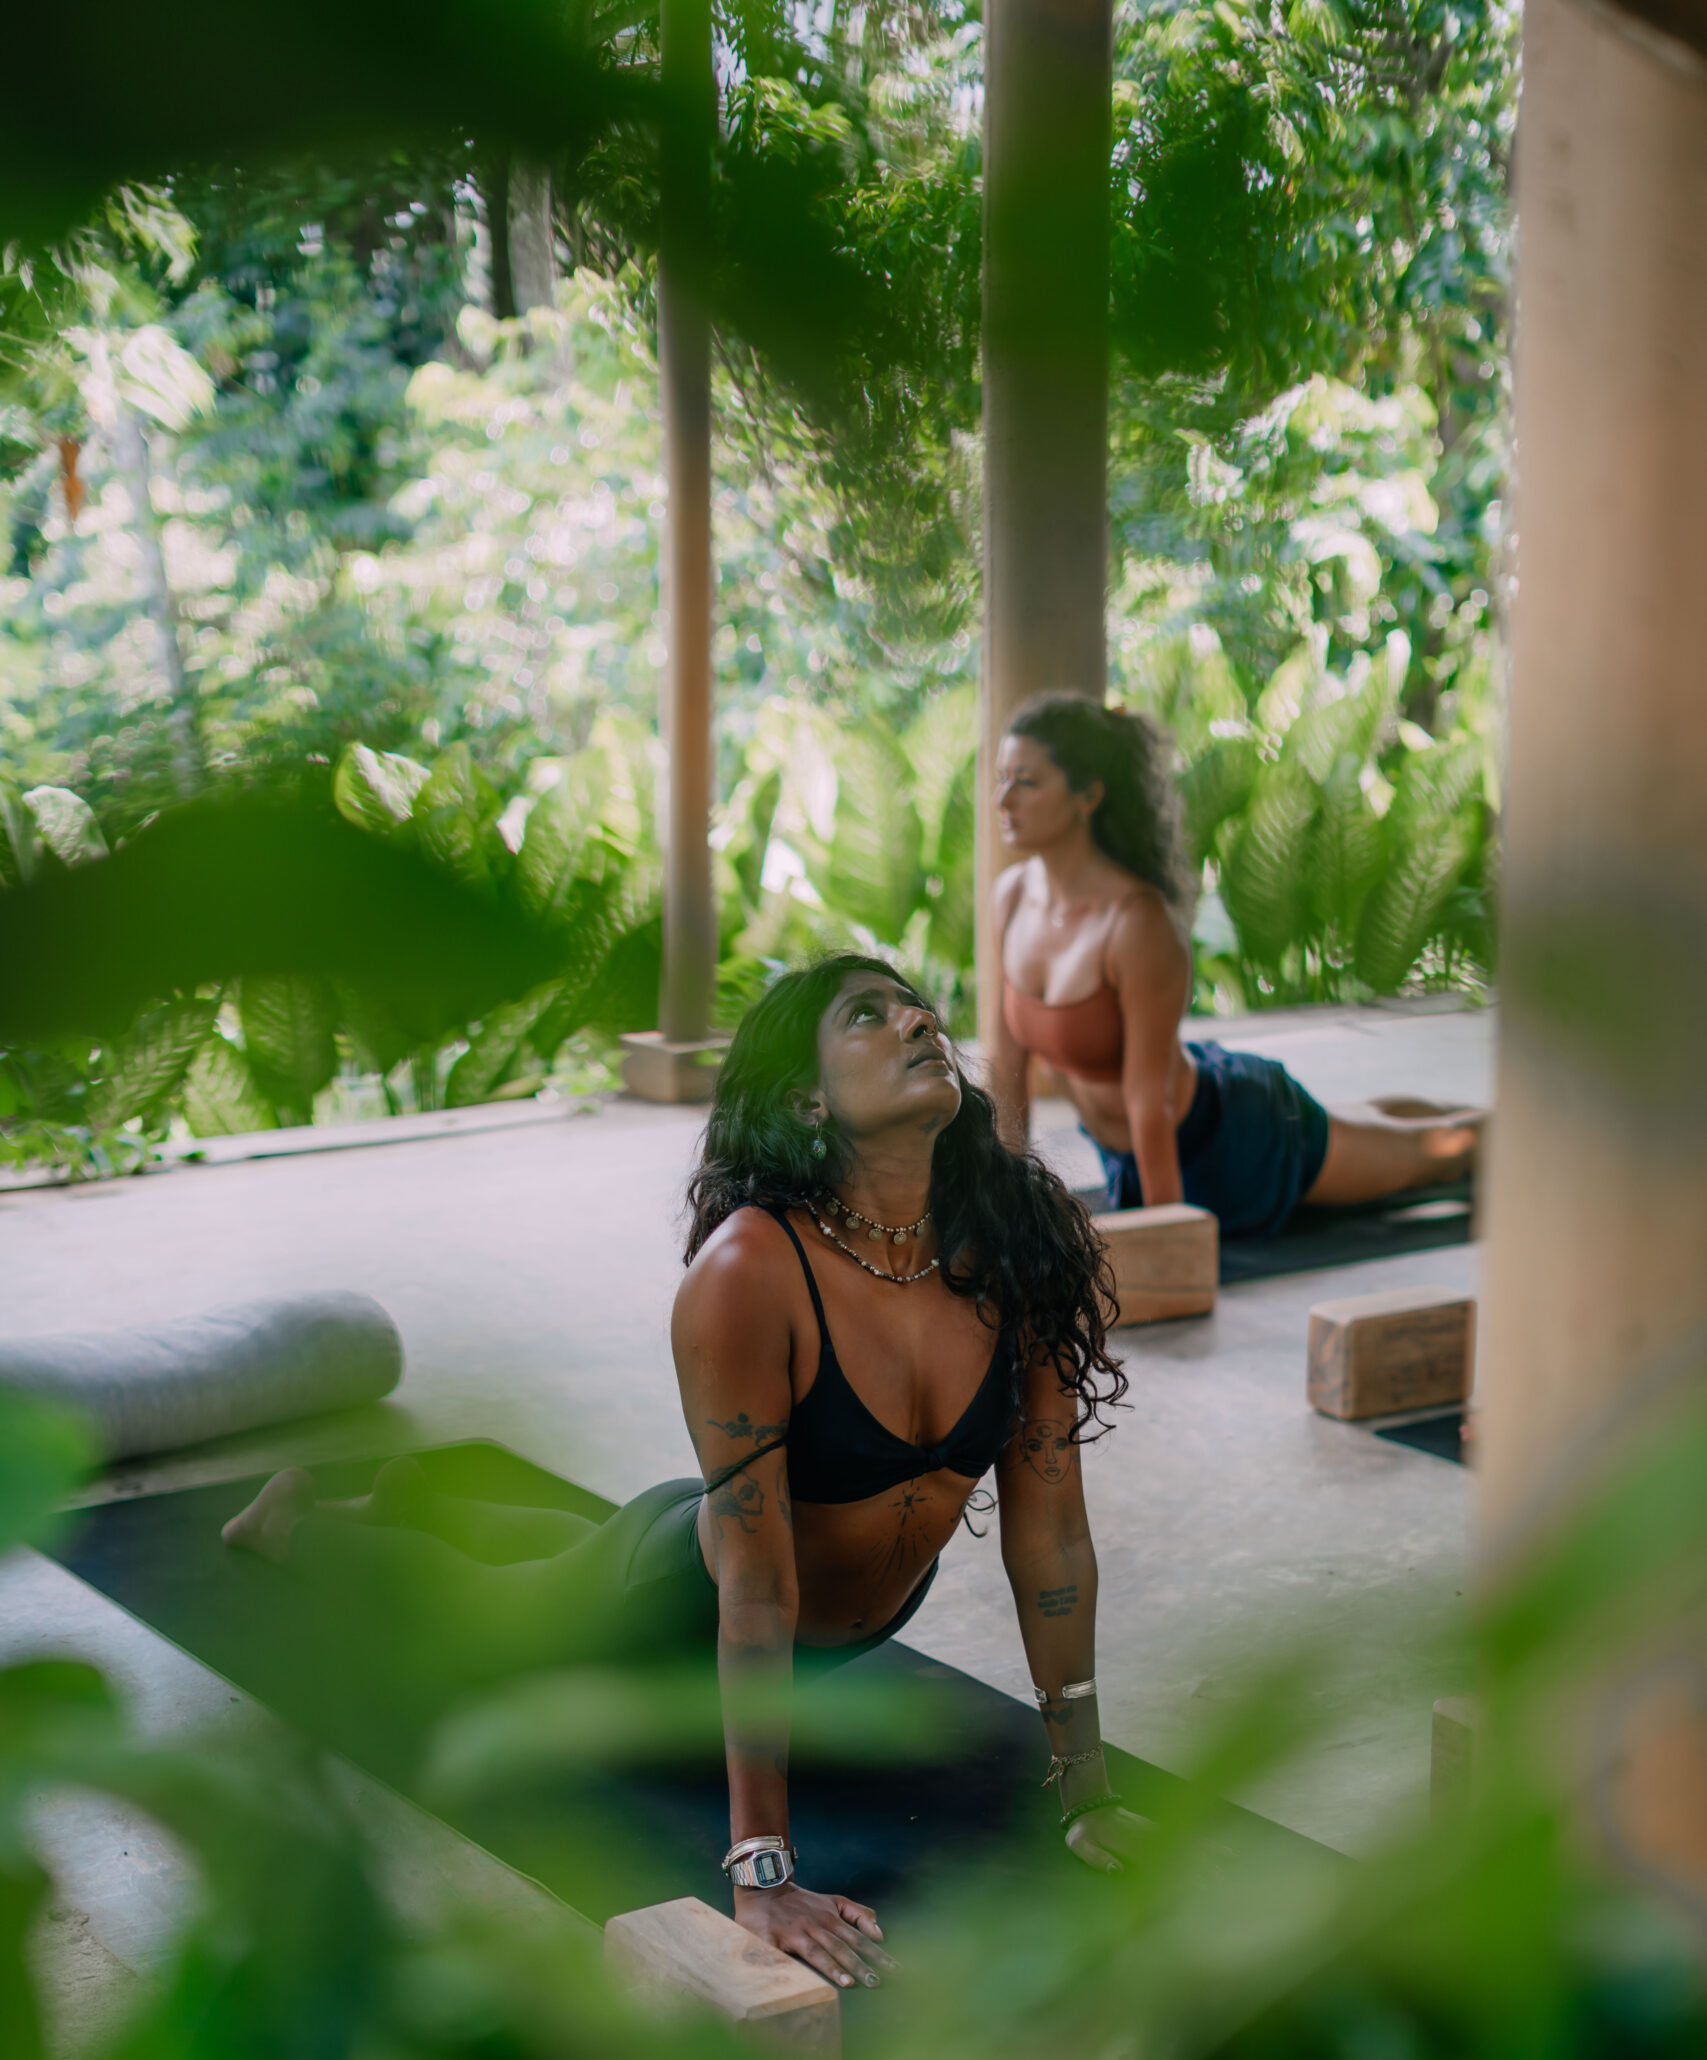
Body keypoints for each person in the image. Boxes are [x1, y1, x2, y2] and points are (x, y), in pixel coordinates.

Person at [224, 953, 1148, 1992]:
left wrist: (1087, 1787)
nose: (917, 1020)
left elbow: (1052, 1538)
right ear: (806, 1096)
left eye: (917, 1006)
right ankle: (294, 1524)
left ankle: (425, 1492)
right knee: (486, 1612)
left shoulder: (1012, 1248)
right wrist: (763, 1870)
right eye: (867, 1015)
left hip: (820, 1618)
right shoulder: (752, 1271)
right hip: (669, 1607)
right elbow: (755, 1586)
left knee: (574, 1548)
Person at [988, 691, 1482, 1240]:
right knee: (1368, 1122)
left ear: (1089, 796)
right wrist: (1006, 1202)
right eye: (1002, 777)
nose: (1003, 798)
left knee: (1436, 1155)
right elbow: (1008, 1070)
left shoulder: (1135, 922)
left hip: (1231, 1142)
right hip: (1140, 1148)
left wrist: (1166, 1238)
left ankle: (1511, 1132)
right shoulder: (1010, 897)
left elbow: (1148, 1103)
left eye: (1027, 781)